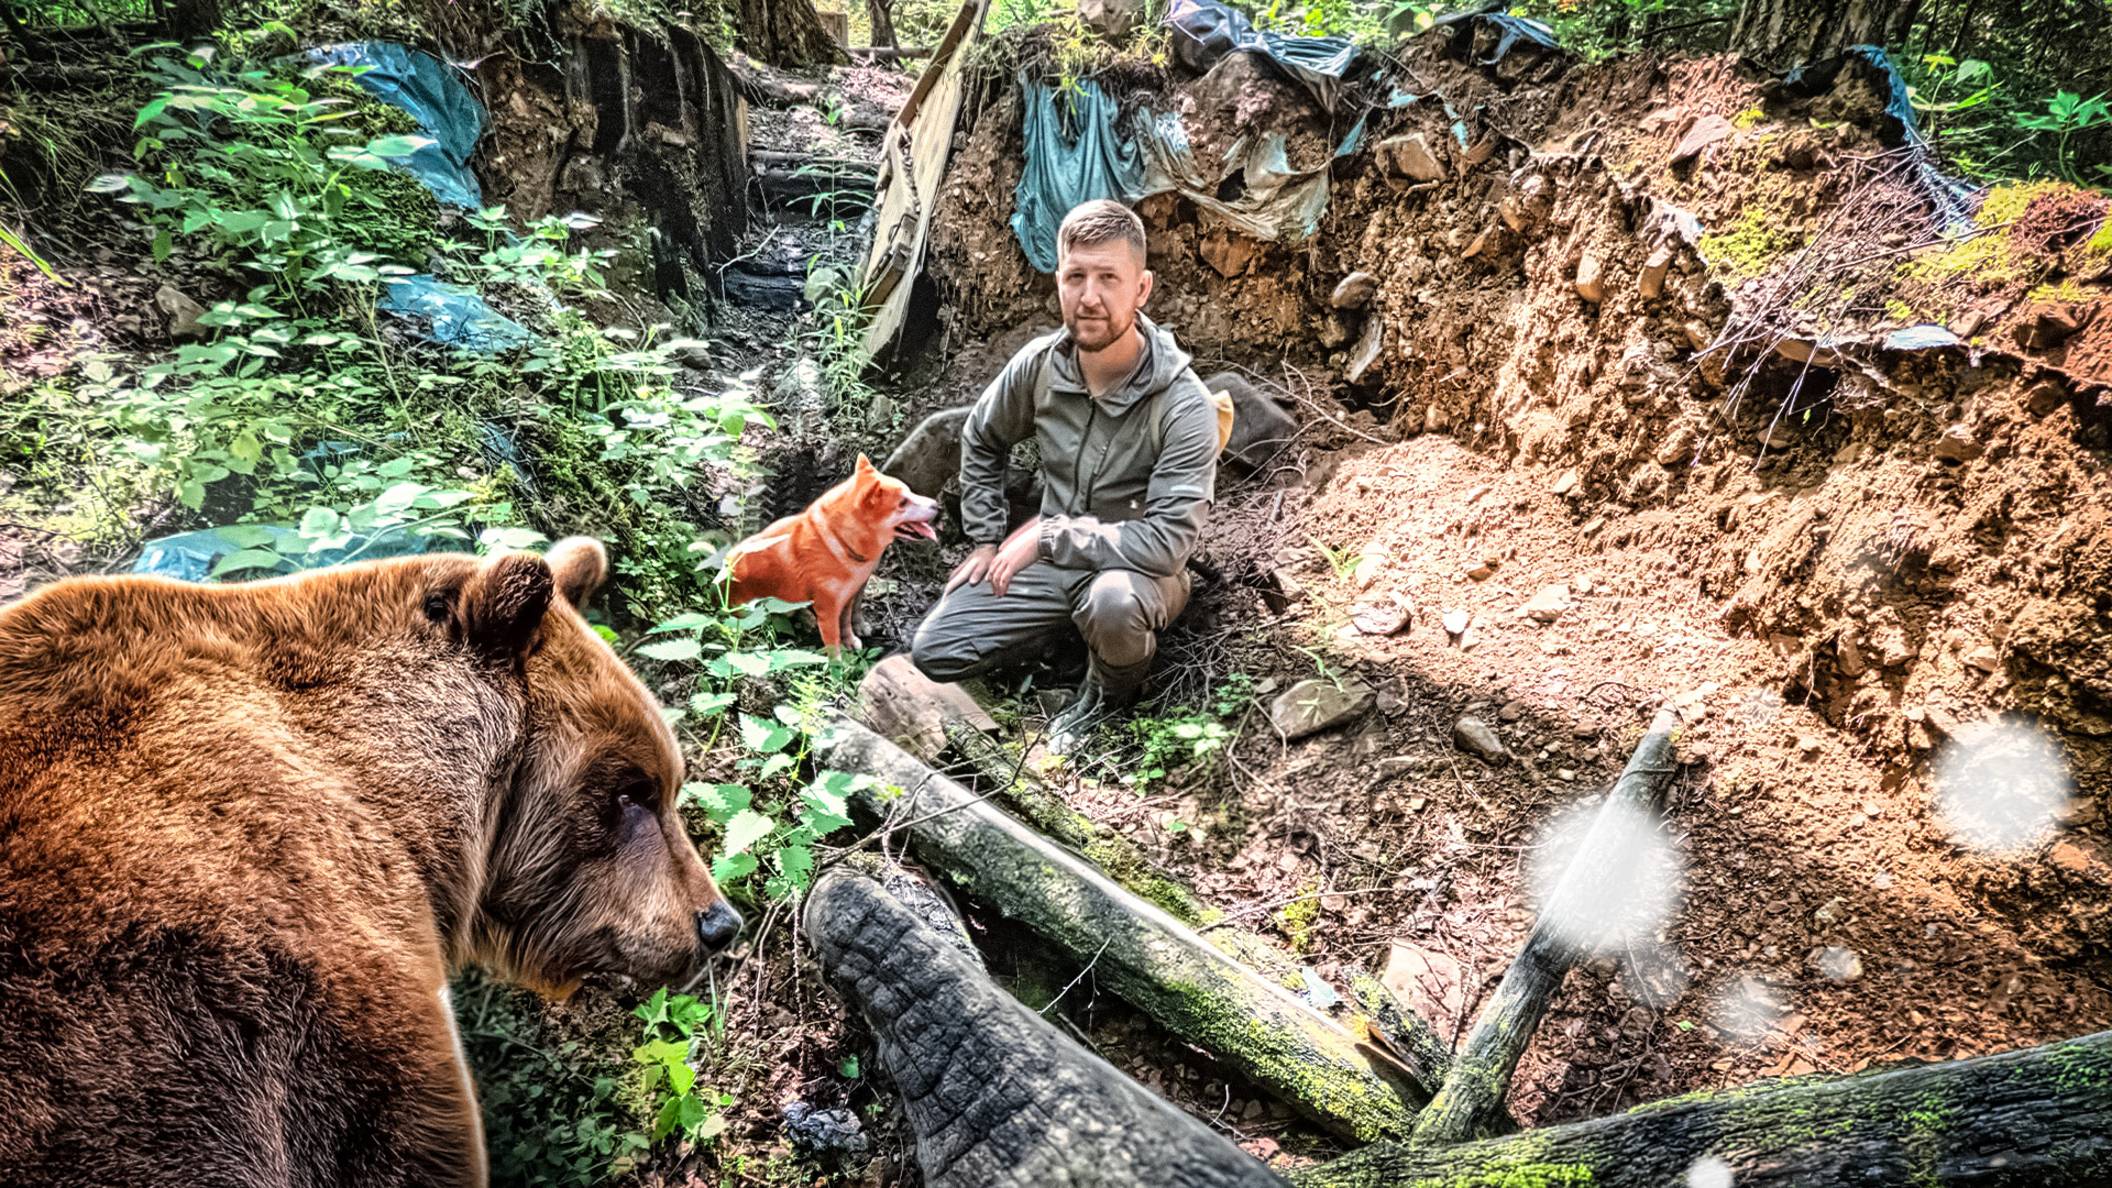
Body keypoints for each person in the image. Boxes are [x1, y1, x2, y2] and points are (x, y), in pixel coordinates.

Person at [910, 199, 1219, 750]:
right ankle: (1063, 636)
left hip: (1139, 569)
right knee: (935, 648)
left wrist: (1049, 535)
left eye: (1108, 278)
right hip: (1051, 562)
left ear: (1141, 289)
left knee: (1113, 605)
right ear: (1059, 282)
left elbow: (1168, 544)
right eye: (1076, 276)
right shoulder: (1039, 365)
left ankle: (1106, 697)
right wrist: (985, 537)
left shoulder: (1183, 403)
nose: (1090, 296)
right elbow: (981, 437)